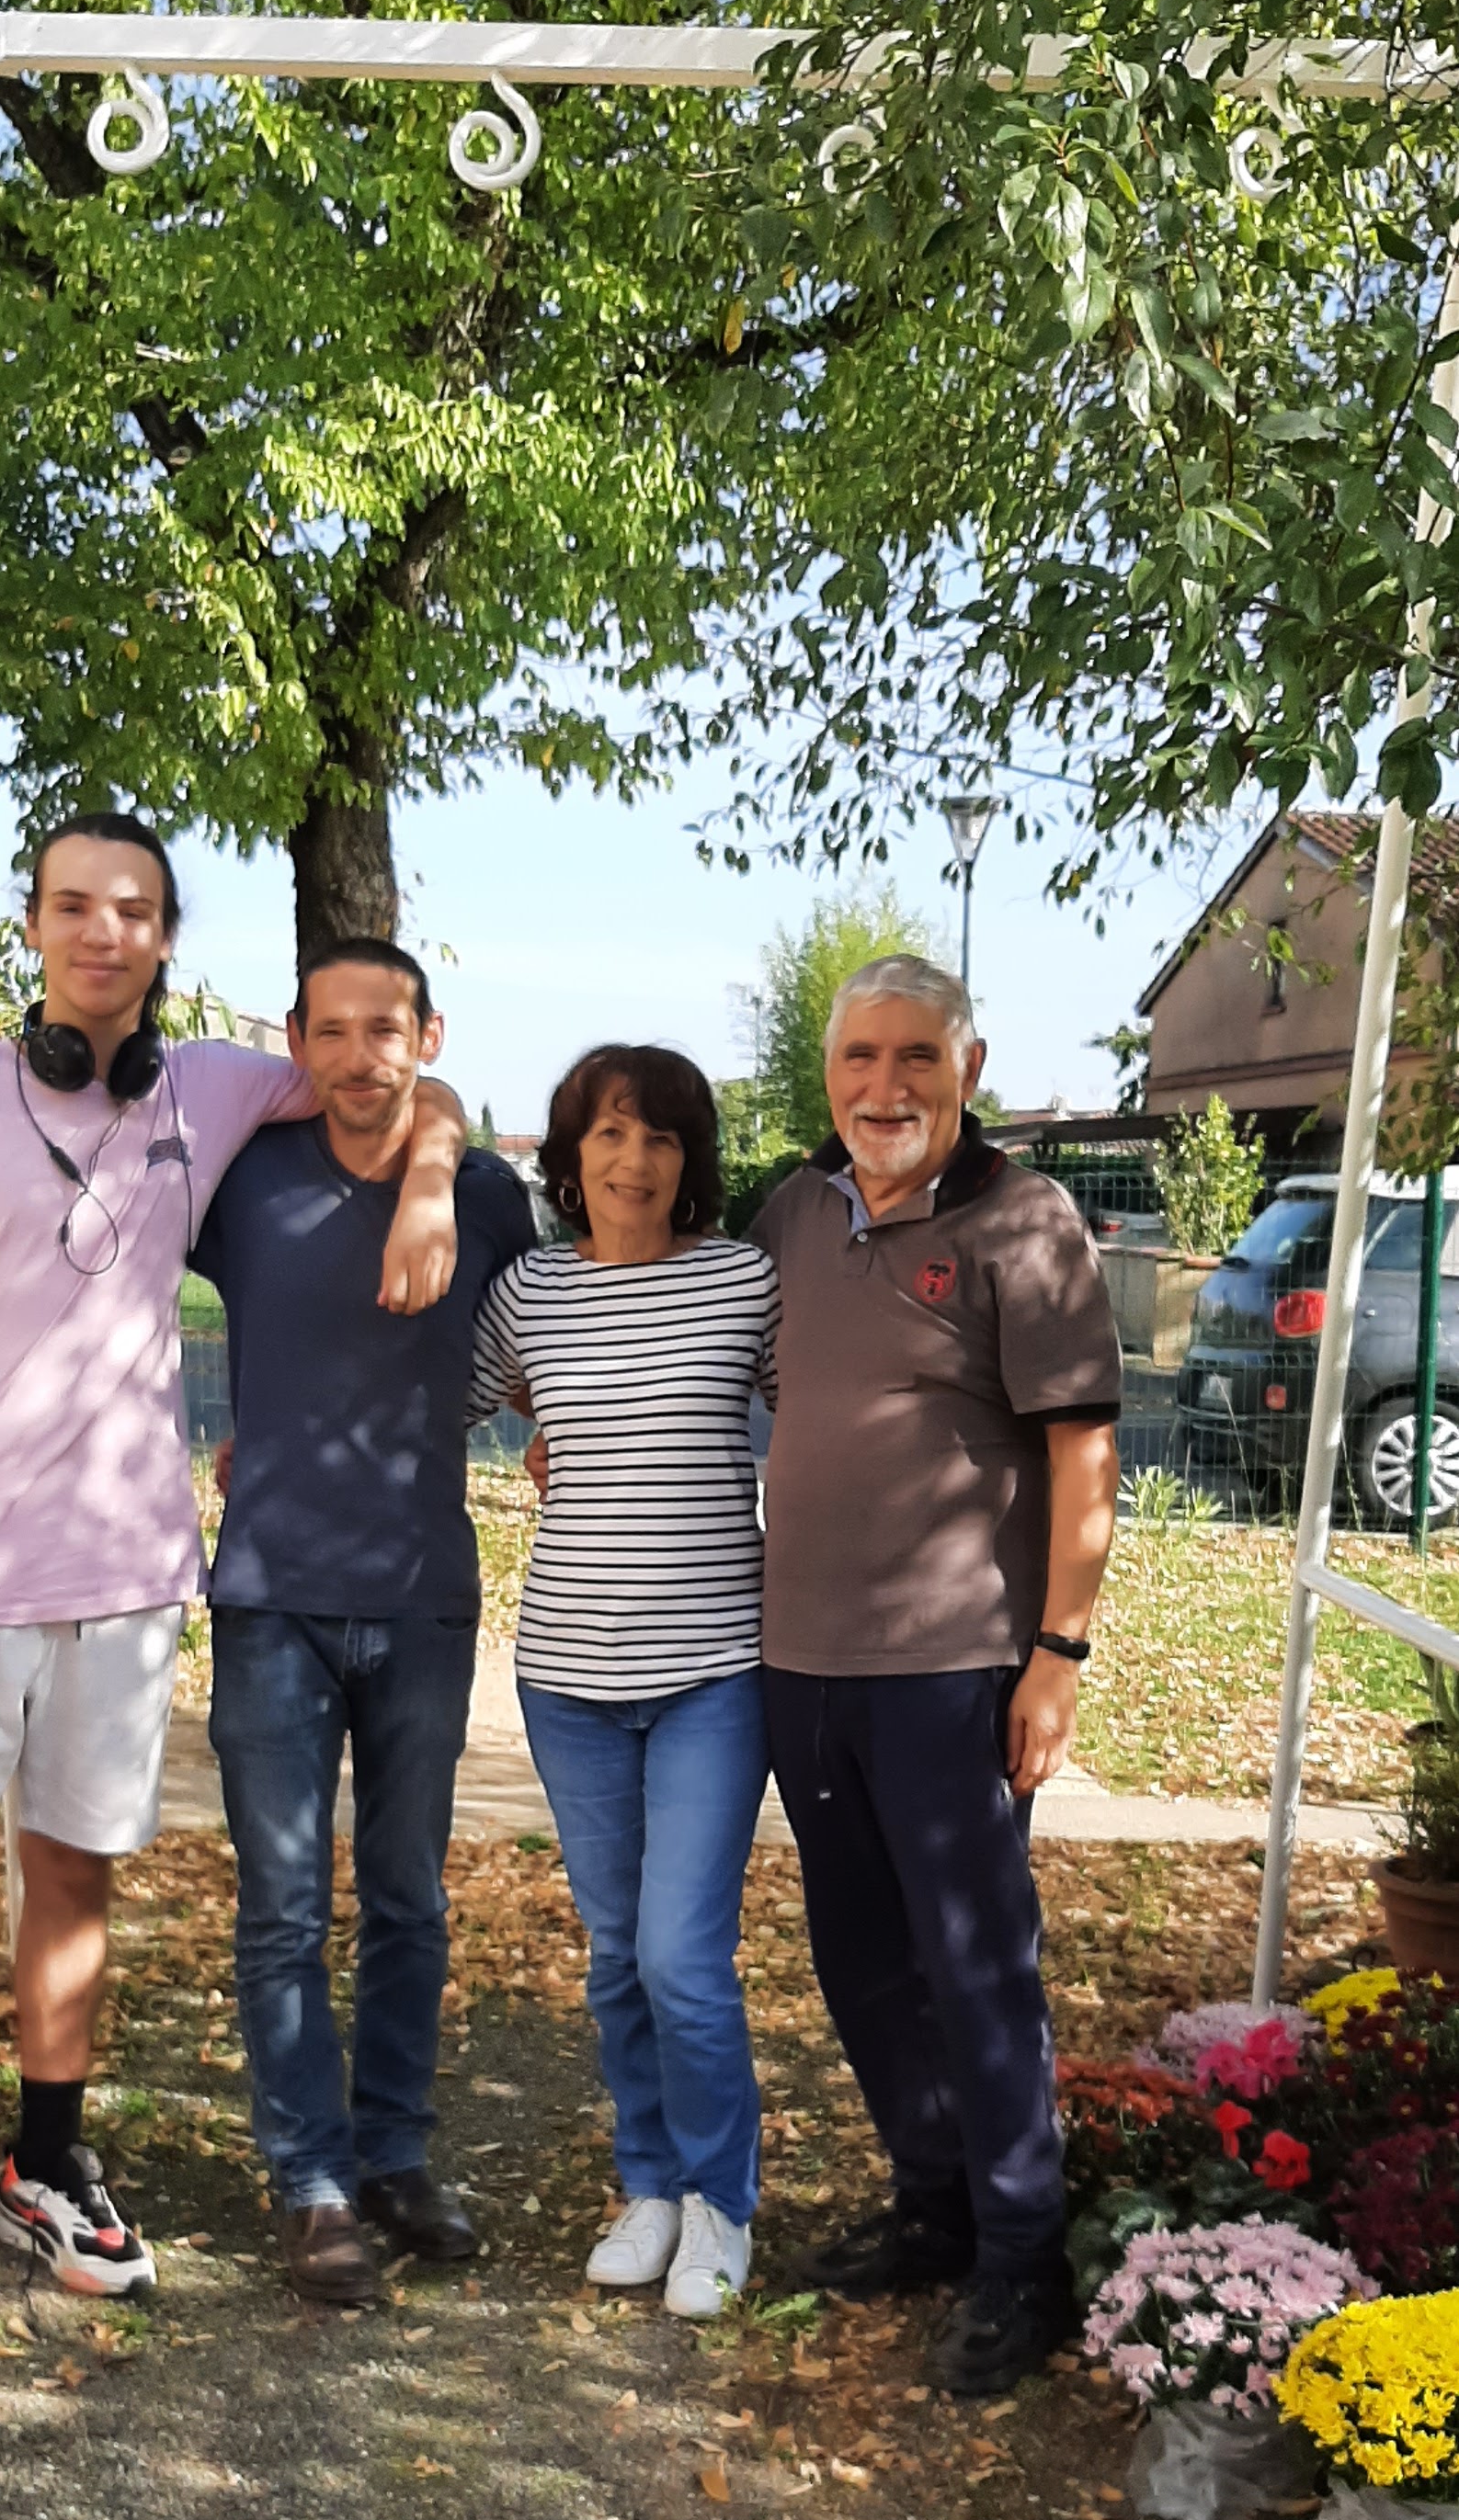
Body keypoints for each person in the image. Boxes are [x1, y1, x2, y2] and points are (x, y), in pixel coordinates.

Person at [0, 817, 462, 2300]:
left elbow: (397, 1072)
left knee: (70, 1874)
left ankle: (48, 2160)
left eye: (134, 911)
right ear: (36, 927)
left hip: (124, 1568)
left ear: (166, 939)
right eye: (74, 907)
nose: (103, 932)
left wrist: (430, 1175)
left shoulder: (215, 1087)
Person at [752, 954, 1120, 2396]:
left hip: (957, 1668)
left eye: (917, 1056)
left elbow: (1085, 1454)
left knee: (975, 1963)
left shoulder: (1023, 1222)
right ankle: (935, 2205)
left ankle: (1025, 2256)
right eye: (861, 1056)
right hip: (802, 1665)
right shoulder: (794, 1211)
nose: (886, 1085)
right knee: (859, 1958)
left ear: (969, 1067)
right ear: (829, 1071)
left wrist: (1059, 1654)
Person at [197, 939, 536, 2305]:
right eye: (328, 1031)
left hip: (423, 1595)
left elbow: (552, 1339)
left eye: (383, 1030)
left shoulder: (488, 1193)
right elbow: (98, 1172)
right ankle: (312, 2182)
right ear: (296, 1041)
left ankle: (393, 2154)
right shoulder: (243, 1176)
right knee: (282, 1909)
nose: (356, 1057)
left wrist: (438, 1165)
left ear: (427, 1037)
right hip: (271, 1597)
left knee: (409, 1902)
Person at [472, 1047, 779, 2320]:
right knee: (615, 1957)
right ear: (570, 1155)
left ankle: (720, 2205)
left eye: (659, 1136)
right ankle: (648, 2185)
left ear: (689, 1158)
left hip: (716, 1673)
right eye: (608, 1133)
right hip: (567, 1676)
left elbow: (833, 1417)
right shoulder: (529, 1292)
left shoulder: (745, 1280)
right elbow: (431, 1404)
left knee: (681, 1957)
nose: (633, 1159)